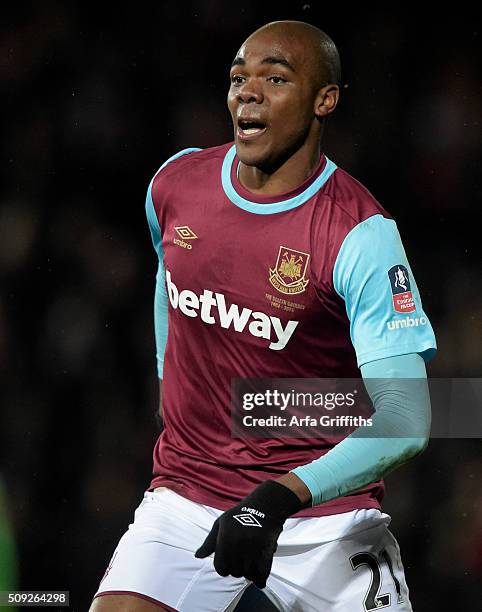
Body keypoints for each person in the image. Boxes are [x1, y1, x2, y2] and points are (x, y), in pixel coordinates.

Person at [90, 20, 436, 612]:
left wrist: (276, 498)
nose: (247, 92)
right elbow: (168, 276)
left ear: (325, 99)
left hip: (324, 512)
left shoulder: (359, 234)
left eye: (274, 78)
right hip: (188, 494)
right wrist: (167, 381)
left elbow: (407, 418)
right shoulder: (175, 184)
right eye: (238, 77)